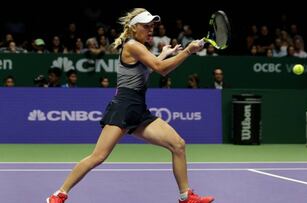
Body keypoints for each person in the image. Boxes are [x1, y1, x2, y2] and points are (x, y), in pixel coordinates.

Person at [47, 8, 214, 203]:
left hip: (139, 109)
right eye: (146, 26)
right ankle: (59, 194)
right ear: (134, 28)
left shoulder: (140, 48)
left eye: (152, 26)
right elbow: (161, 70)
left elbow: (148, 71)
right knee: (98, 156)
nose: (150, 29)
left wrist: (164, 55)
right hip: (124, 107)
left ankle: (186, 196)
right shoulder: (133, 45)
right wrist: (187, 51)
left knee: (178, 145)